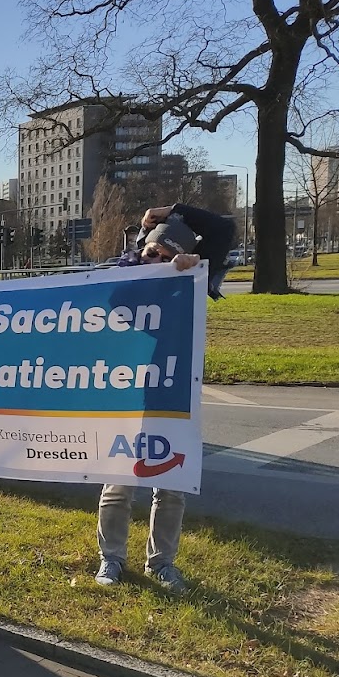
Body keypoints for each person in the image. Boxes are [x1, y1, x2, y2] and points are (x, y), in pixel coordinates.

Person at [94, 245, 201, 594]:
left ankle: (161, 563)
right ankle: (111, 558)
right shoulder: (130, 278)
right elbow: (115, 298)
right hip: (127, 397)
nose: (159, 260)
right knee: (118, 482)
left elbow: (221, 234)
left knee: (171, 487)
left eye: (166, 254)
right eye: (152, 252)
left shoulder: (190, 282)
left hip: (172, 396)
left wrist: (185, 266)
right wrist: (153, 267)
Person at [136, 202, 235, 299]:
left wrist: (175, 210)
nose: (155, 262)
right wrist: (171, 211)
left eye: (166, 260)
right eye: (152, 252)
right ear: (144, 247)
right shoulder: (127, 265)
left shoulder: (191, 280)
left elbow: (224, 229)